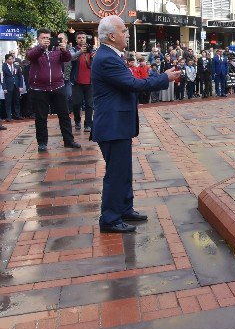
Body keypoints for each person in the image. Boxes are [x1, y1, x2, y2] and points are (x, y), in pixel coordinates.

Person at [91, 15, 180, 233]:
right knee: (115, 173)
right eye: (124, 31)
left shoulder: (111, 55)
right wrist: (164, 79)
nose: (127, 34)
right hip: (112, 125)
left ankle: (124, 209)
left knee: (124, 170)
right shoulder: (107, 58)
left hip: (118, 123)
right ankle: (110, 219)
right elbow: (132, 83)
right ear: (111, 36)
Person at [26, 29, 80, 152]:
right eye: (43, 38)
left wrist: (64, 49)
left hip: (58, 86)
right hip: (38, 88)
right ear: (38, 39)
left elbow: (67, 58)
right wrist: (41, 48)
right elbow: (31, 57)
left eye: (48, 38)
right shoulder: (33, 50)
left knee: (64, 115)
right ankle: (42, 143)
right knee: (41, 117)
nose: (46, 40)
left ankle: (69, 141)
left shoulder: (56, 51)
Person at [70, 31, 95, 131]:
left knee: (89, 104)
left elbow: (97, 61)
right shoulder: (73, 49)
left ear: (86, 39)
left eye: (83, 38)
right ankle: (77, 121)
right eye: (79, 38)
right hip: (77, 82)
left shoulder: (91, 49)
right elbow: (71, 58)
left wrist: (94, 56)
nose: (81, 39)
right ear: (76, 39)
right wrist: (80, 51)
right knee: (76, 104)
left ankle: (88, 124)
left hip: (90, 82)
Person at [2, 54, 23, 120]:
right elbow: (3, 78)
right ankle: (9, 116)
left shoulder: (17, 66)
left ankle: (17, 115)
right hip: (8, 87)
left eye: (12, 59)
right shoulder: (3, 67)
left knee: (17, 101)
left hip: (16, 86)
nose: (11, 60)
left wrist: (20, 86)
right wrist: (4, 88)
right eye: (9, 59)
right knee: (8, 102)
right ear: (6, 60)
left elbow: (20, 77)